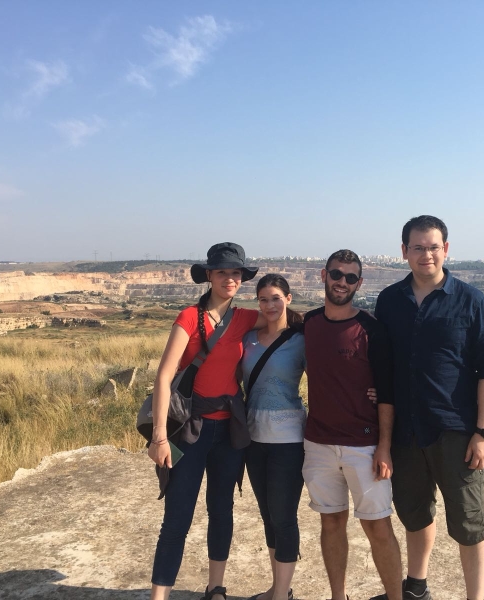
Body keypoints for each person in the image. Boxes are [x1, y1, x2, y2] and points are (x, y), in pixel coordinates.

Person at [374, 216, 484, 600]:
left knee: (469, 523)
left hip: (456, 432)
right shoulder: (390, 301)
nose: (426, 255)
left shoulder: (472, 301)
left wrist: (483, 433)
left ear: (445, 249)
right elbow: (384, 366)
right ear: (404, 252)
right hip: (406, 431)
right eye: (417, 247)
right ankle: (417, 587)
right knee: (414, 514)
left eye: (433, 247)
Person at [148, 242, 264, 600]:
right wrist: (159, 437)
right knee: (177, 518)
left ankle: (216, 588)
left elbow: (286, 318)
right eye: (223, 272)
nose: (230, 278)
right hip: (189, 429)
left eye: (236, 272)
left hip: (229, 430)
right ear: (209, 276)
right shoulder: (188, 317)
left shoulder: (244, 318)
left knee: (221, 511)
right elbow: (163, 377)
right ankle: (159, 596)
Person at [301, 249, 403, 600]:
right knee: (330, 522)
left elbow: (386, 392)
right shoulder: (309, 323)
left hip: (364, 446)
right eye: (336, 274)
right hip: (318, 443)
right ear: (323, 275)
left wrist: (384, 447)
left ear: (359, 283)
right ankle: (338, 596)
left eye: (350, 277)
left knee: (378, 527)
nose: (341, 282)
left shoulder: (372, 329)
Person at [241, 274, 306, 600]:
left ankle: (281, 594)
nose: (269, 305)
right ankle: (278, 588)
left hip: (288, 440)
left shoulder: (301, 339)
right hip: (253, 438)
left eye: (276, 298)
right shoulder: (248, 339)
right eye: (263, 299)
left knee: (283, 517)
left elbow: (328, 376)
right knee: (268, 515)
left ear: (288, 299)